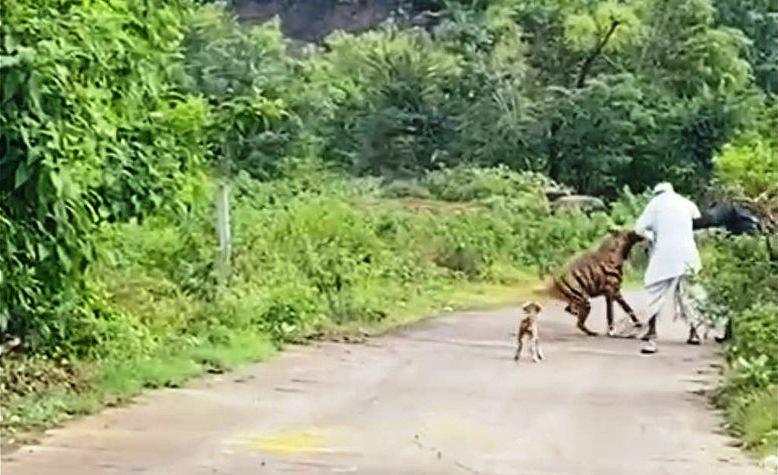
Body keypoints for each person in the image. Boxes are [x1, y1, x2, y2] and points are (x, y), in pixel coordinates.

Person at [634, 182, 704, 354]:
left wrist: (652, 237)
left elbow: (638, 229)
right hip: (688, 254)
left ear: (656, 193)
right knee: (689, 293)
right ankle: (695, 332)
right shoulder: (686, 203)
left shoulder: (655, 204)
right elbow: (697, 218)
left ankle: (651, 333)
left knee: (654, 291)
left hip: (664, 254)